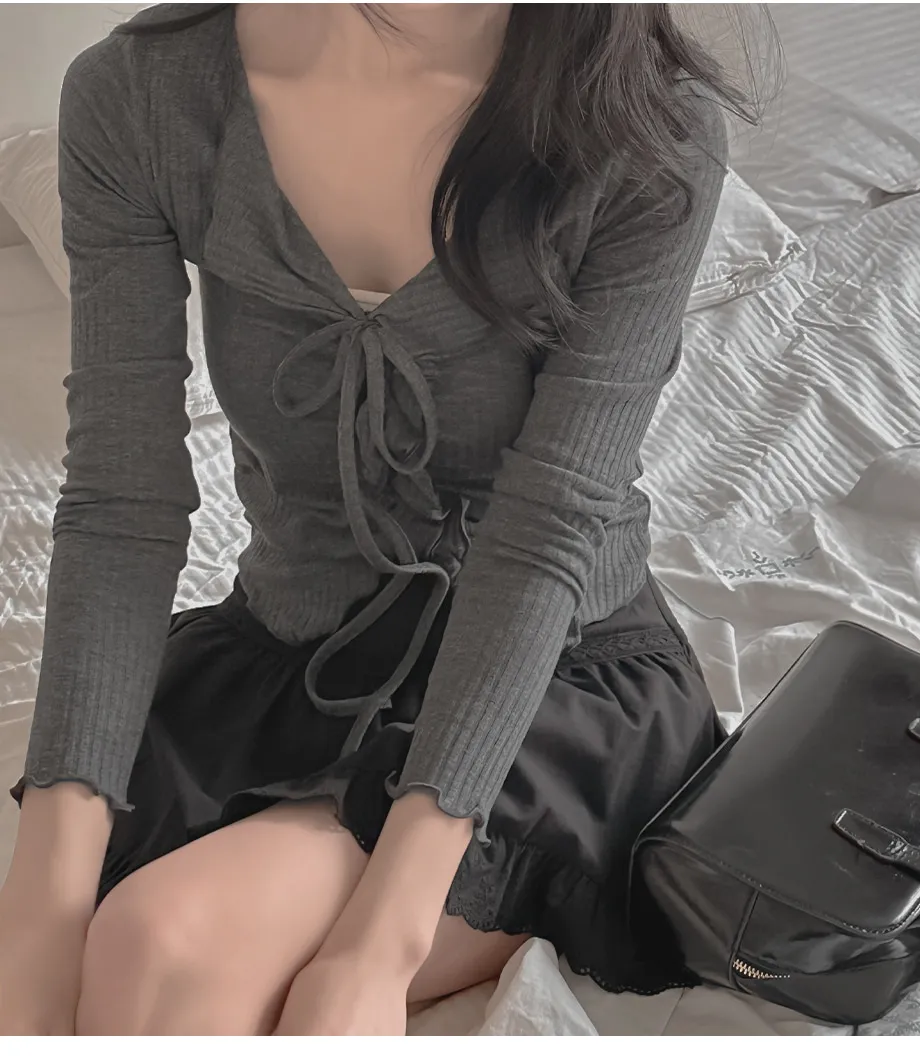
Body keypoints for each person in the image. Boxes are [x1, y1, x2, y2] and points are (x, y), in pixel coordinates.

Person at [0, 2, 771, 1036]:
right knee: (101, 954)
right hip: (289, 656)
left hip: (546, 685)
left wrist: (381, 943)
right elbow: (120, 502)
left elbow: (545, 529)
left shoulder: (642, 125)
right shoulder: (142, 95)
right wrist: (40, 911)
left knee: (162, 943)